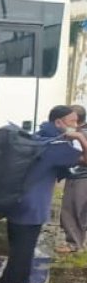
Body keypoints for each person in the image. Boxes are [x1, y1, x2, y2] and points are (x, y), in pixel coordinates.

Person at [0, 105, 87, 283]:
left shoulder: (39, 137)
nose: (76, 125)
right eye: (72, 122)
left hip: (17, 202)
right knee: (21, 251)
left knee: (24, 248)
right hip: (31, 207)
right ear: (59, 122)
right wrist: (80, 138)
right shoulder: (56, 146)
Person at [56, 104, 87, 254]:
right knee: (81, 211)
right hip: (81, 176)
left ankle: (73, 244)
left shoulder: (80, 134)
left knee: (72, 210)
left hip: (80, 176)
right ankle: (78, 242)